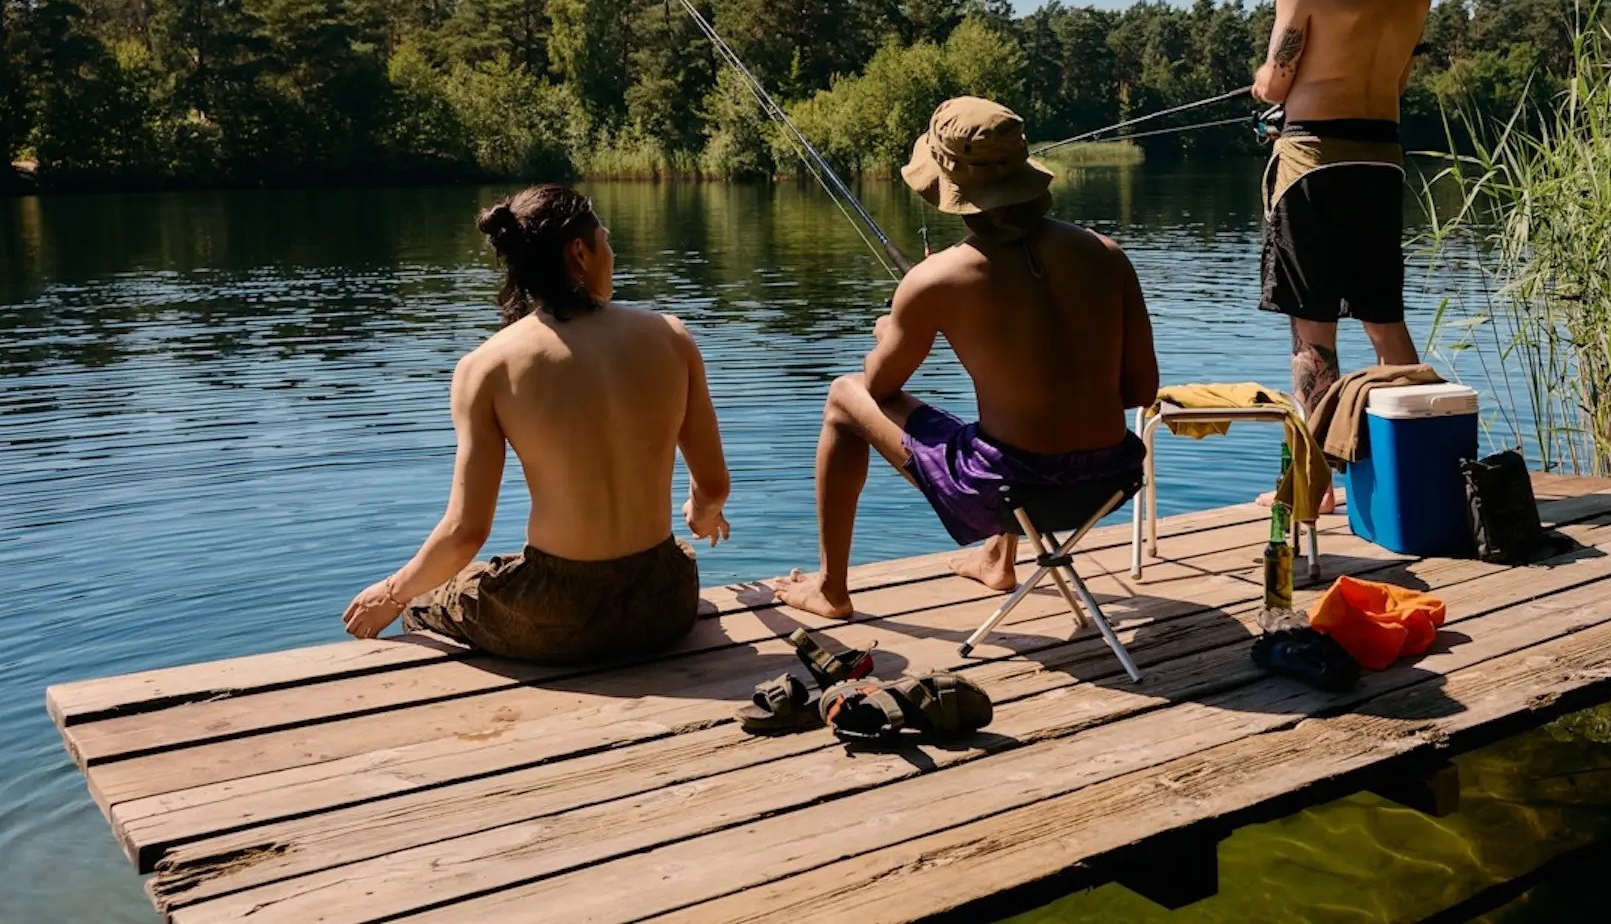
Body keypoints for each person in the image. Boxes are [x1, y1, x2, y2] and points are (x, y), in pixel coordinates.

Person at [774, 97, 1160, 620]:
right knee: (1006, 427)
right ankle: (998, 559)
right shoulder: (1108, 254)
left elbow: (879, 386)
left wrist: (891, 330)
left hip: (1009, 492)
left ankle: (830, 589)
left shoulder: (936, 280)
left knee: (844, 397)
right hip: (1112, 481)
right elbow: (1140, 391)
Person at [341, 183, 732, 661]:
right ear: (579, 253)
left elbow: (465, 531)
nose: (612, 255)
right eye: (606, 242)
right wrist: (702, 513)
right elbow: (713, 486)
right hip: (665, 601)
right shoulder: (671, 337)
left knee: (426, 599)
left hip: (560, 617)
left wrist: (392, 593)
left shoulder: (486, 367)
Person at [1254, 0, 1432, 511]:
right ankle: (1422, 463)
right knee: (1386, 321)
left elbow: (1277, 81)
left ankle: (1315, 487)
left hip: (1312, 168)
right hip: (1381, 161)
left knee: (1312, 332)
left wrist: (1261, 86)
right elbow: (1400, 76)